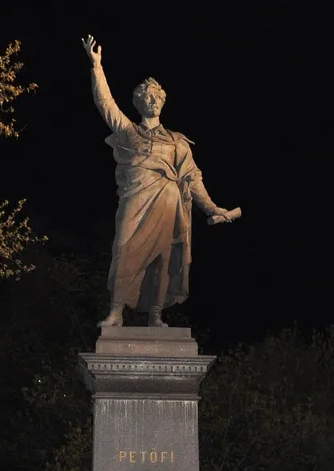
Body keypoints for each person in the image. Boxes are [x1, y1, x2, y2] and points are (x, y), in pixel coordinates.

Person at [81, 35, 238, 328]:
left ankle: (156, 314)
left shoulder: (177, 142)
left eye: (157, 96)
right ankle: (116, 311)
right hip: (135, 199)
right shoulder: (128, 132)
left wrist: (212, 208)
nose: (153, 100)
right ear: (138, 102)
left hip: (168, 203)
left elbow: (192, 178)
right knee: (123, 249)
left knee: (162, 259)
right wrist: (96, 67)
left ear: (163, 102)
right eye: (148, 97)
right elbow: (105, 104)